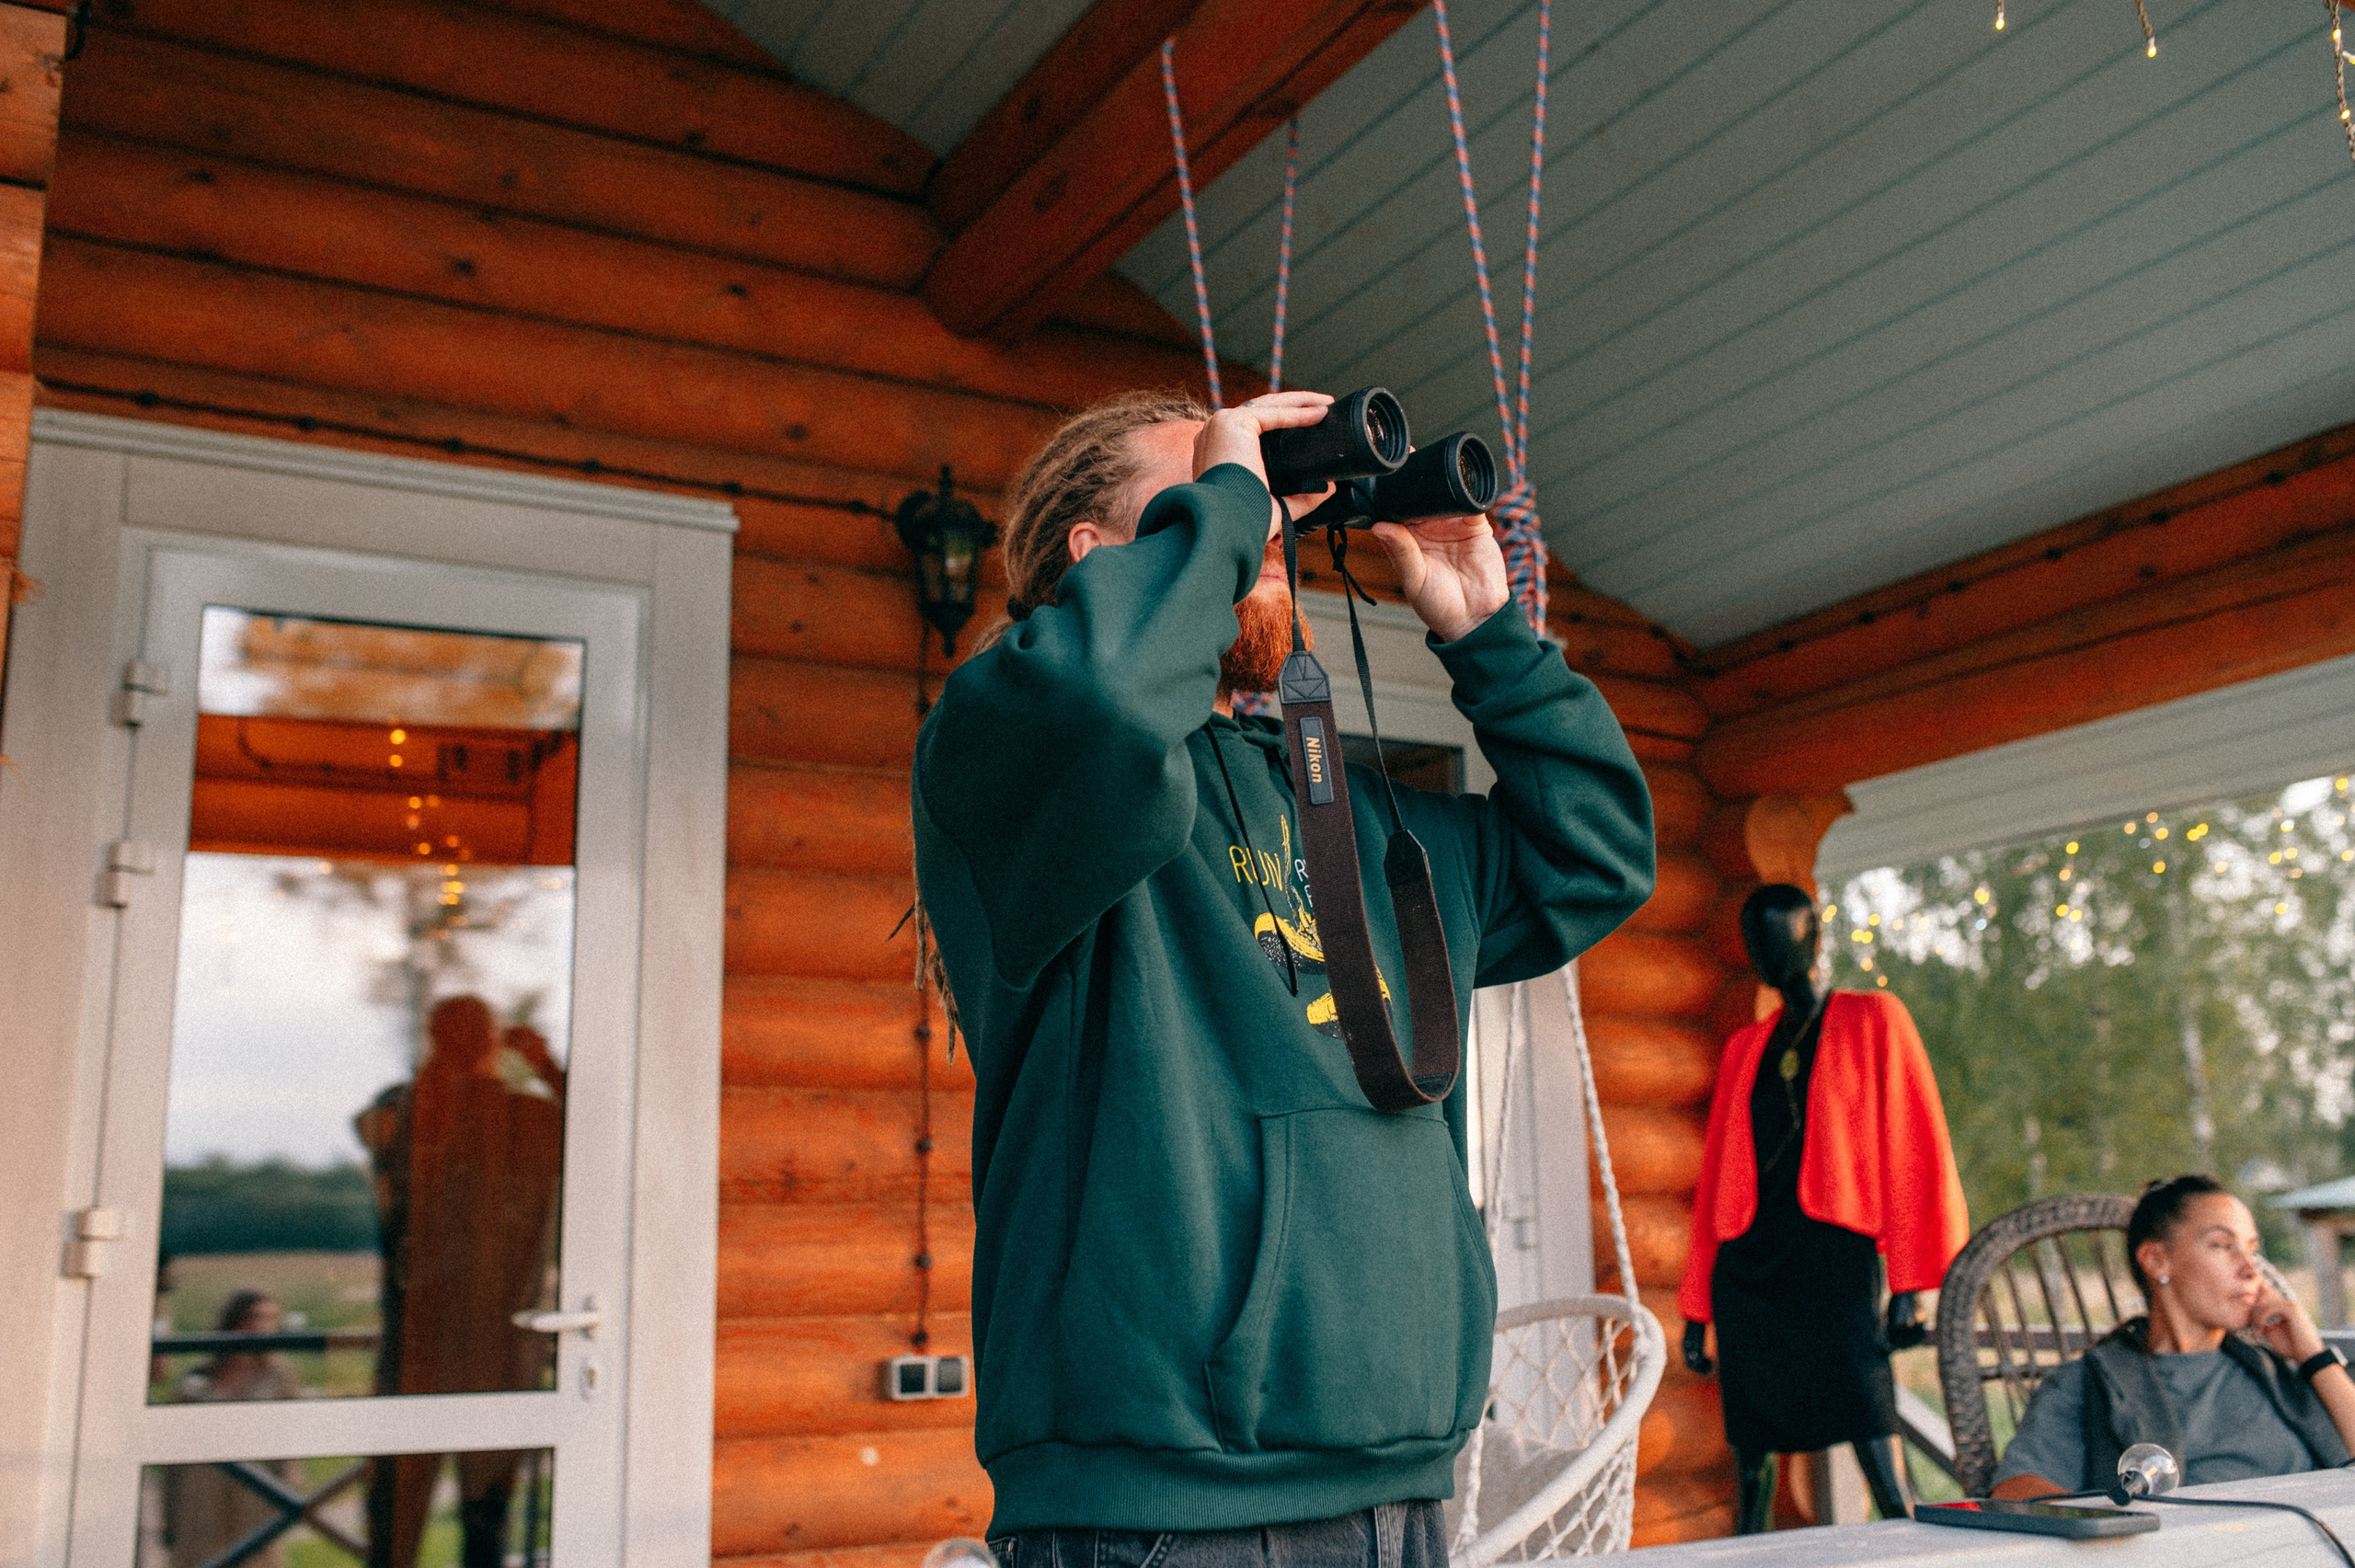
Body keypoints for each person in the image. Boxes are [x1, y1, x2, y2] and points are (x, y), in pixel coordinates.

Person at [912, 388, 1656, 1561]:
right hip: (1160, 1510)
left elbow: (1595, 860)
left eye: (1263, 511)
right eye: (1206, 496)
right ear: (1098, 559)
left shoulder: (1366, 818)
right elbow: (1101, 698)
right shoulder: (1025, 775)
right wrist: (1230, 493)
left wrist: (1486, 638)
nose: (1253, 528)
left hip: (1406, 1486)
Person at [1679, 885, 1970, 1529]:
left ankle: (1905, 1538)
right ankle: (1745, 1549)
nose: (1765, 951)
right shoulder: (1744, 1048)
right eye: (1755, 938)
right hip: (1751, 1267)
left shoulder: (1874, 1017)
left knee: (1867, 1418)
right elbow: (1716, 1186)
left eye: (1779, 934)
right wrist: (1698, 1309)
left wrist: (1909, 1285)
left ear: (1814, 939)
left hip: (1835, 1256)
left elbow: (1913, 1144)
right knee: (1751, 1449)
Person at [1992, 1174, 2355, 1497]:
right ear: (2156, 1261)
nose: (2250, 1269)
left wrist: (2314, 1356)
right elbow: (2015, 1490)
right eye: (2222, 1245)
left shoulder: (2280, 1374)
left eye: (2252, 1249)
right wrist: (2123, 1530)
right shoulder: (2087, 1384)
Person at [164, 1290, 304, 1567]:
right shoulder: (198, 1377)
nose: (261, 1326)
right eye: (254, 1317)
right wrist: (169, 1515)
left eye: (269, 1318)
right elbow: (174, 1453)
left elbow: (291, 1437)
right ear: (234, 1321)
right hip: (203, 1492)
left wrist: (288, 1496)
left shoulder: (279, 1376)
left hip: (256, 1490)